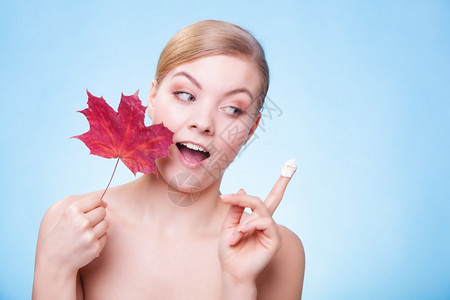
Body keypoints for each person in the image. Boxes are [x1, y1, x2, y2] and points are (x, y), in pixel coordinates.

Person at [32, 20, 305, 299]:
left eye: (233, 109)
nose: (203, 122)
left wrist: (238, 284)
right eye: (186, 95)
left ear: (251, 129)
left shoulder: (279, 253)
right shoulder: (69, 225)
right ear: (152, 97)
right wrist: (56, 267)